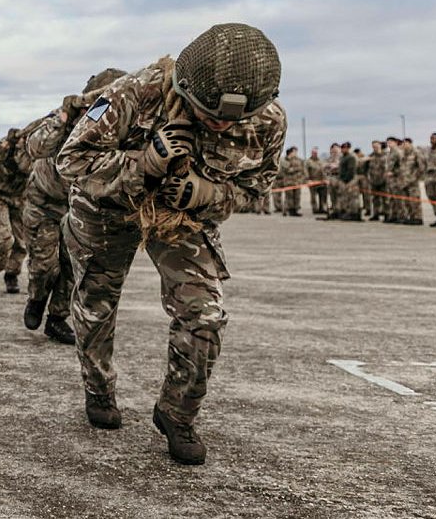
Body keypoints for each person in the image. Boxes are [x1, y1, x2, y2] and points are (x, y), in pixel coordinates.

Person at [58, 23, 286, 465]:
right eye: (208, 113)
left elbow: (256, 186)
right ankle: (98, 387)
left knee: (205, 314)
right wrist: (144, 162)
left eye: (229, 120)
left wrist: (207, 194)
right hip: (109, 206)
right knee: (96, 303)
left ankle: (177, 413)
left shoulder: (268, 120)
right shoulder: (134, 94)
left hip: (182, 215)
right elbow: (72, 160)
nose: (219, 124)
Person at [21, 68, 125, 344]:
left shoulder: (119, 122)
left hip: (78, 206)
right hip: (43, 202)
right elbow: (35, 147)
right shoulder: (68, 117)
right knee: (46, 266)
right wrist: (64, 118)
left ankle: (56, 319)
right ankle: (37, 297)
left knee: (72, 268)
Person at [0, 128, 32, 294]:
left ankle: (12, 275)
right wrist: (5, 145)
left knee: (22, 242)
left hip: (19, 199)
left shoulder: (35, 150)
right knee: (3, 238)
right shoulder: (6, 147)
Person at [398, 138, 426, 225]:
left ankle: (418, 218)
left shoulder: (416, 153)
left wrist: (416, 177)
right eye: (403, 144)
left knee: (415, 201)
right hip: (404, 182)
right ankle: (411, 216)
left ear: (410, 143)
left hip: (413, 182)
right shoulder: (403, 155)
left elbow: (422, 167)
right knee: (407, 201)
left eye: (406, 143)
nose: (404, 145)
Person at [336, 142, 362, 221]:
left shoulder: (351, 157)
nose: (343, 149)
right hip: (344, 180)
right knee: (346, 198)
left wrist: (346, 180)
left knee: (353, 198)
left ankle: (354, 214)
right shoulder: (343, 157)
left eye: (344, 148)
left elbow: (351, 170)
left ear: (348, 148)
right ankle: (348, 212)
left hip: (350, 180)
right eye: (342, 148)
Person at [278, 147, 304, 216]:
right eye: (294, 152)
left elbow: (301, 169)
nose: (296, 154)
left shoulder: (298, 160)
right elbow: (288, 169)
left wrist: (295, 169)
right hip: (289, 182)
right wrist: (296, 169)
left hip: (297, 182)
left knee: (297, 197)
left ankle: (295, 210)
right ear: (291, 152)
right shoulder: (284, 160)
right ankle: (289, 210)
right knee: (289, 197)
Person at [383, 137, 404, 224]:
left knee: (398, 199)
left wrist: (394, 173)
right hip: (390, 180)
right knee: (391, 198)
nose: (389, 144)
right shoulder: (389, 153)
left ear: (395, 143)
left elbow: (402, 166)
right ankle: (393, 215)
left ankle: (401, 216)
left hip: (397, 179)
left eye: (391, 142)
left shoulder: (398, 152)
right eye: (388, 142)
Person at [365, 140, 387, 221]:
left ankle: (387, 214)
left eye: (376, 146)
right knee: (375, 199)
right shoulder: (371, 156)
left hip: (383, 180)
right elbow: (366, 167)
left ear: (380, 146)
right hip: (374, 180)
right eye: (373, 146)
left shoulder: (385, 155)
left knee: (385, 199)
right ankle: (376, 214)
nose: (375, 147)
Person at [306, 148, 326, 214]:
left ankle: (322, 208)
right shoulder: (308, 161)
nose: (315, 154)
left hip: (321, 182)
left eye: (316, 153)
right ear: (311, 153)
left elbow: (323, 171)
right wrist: (308, 180)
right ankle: (315, 209)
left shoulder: (320, 161)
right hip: (312, 181)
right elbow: (306, 171)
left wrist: (324, 179)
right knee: (313, 197)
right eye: (314, 153)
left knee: (322, 196)